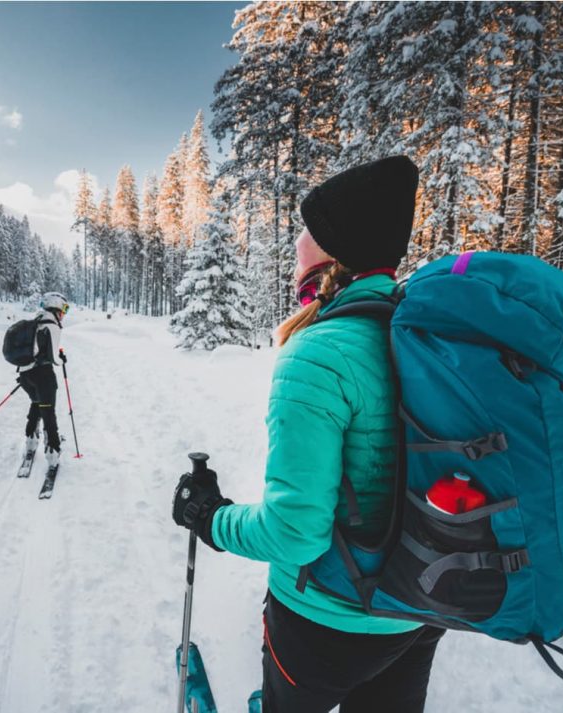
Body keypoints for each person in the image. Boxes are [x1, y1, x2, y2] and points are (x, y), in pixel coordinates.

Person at [173, 157, 444, 713]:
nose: (297, 241)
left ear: (332, 253)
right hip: (417, 608)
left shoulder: (319, 353)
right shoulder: (422, 335)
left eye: (309, 230)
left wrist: (210, 517)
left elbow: (296, 536)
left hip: (327, 621)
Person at [18, 291, 69, 465]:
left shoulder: (36, 321)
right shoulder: (52, 325)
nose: (64, 314)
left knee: (36, 403)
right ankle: (53, 451)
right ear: (55, 306)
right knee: (48, 411)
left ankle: (31, 442)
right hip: (43, 377)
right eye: (64, 308)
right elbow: (54, 358)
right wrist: (62, 360)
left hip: (25, 375)